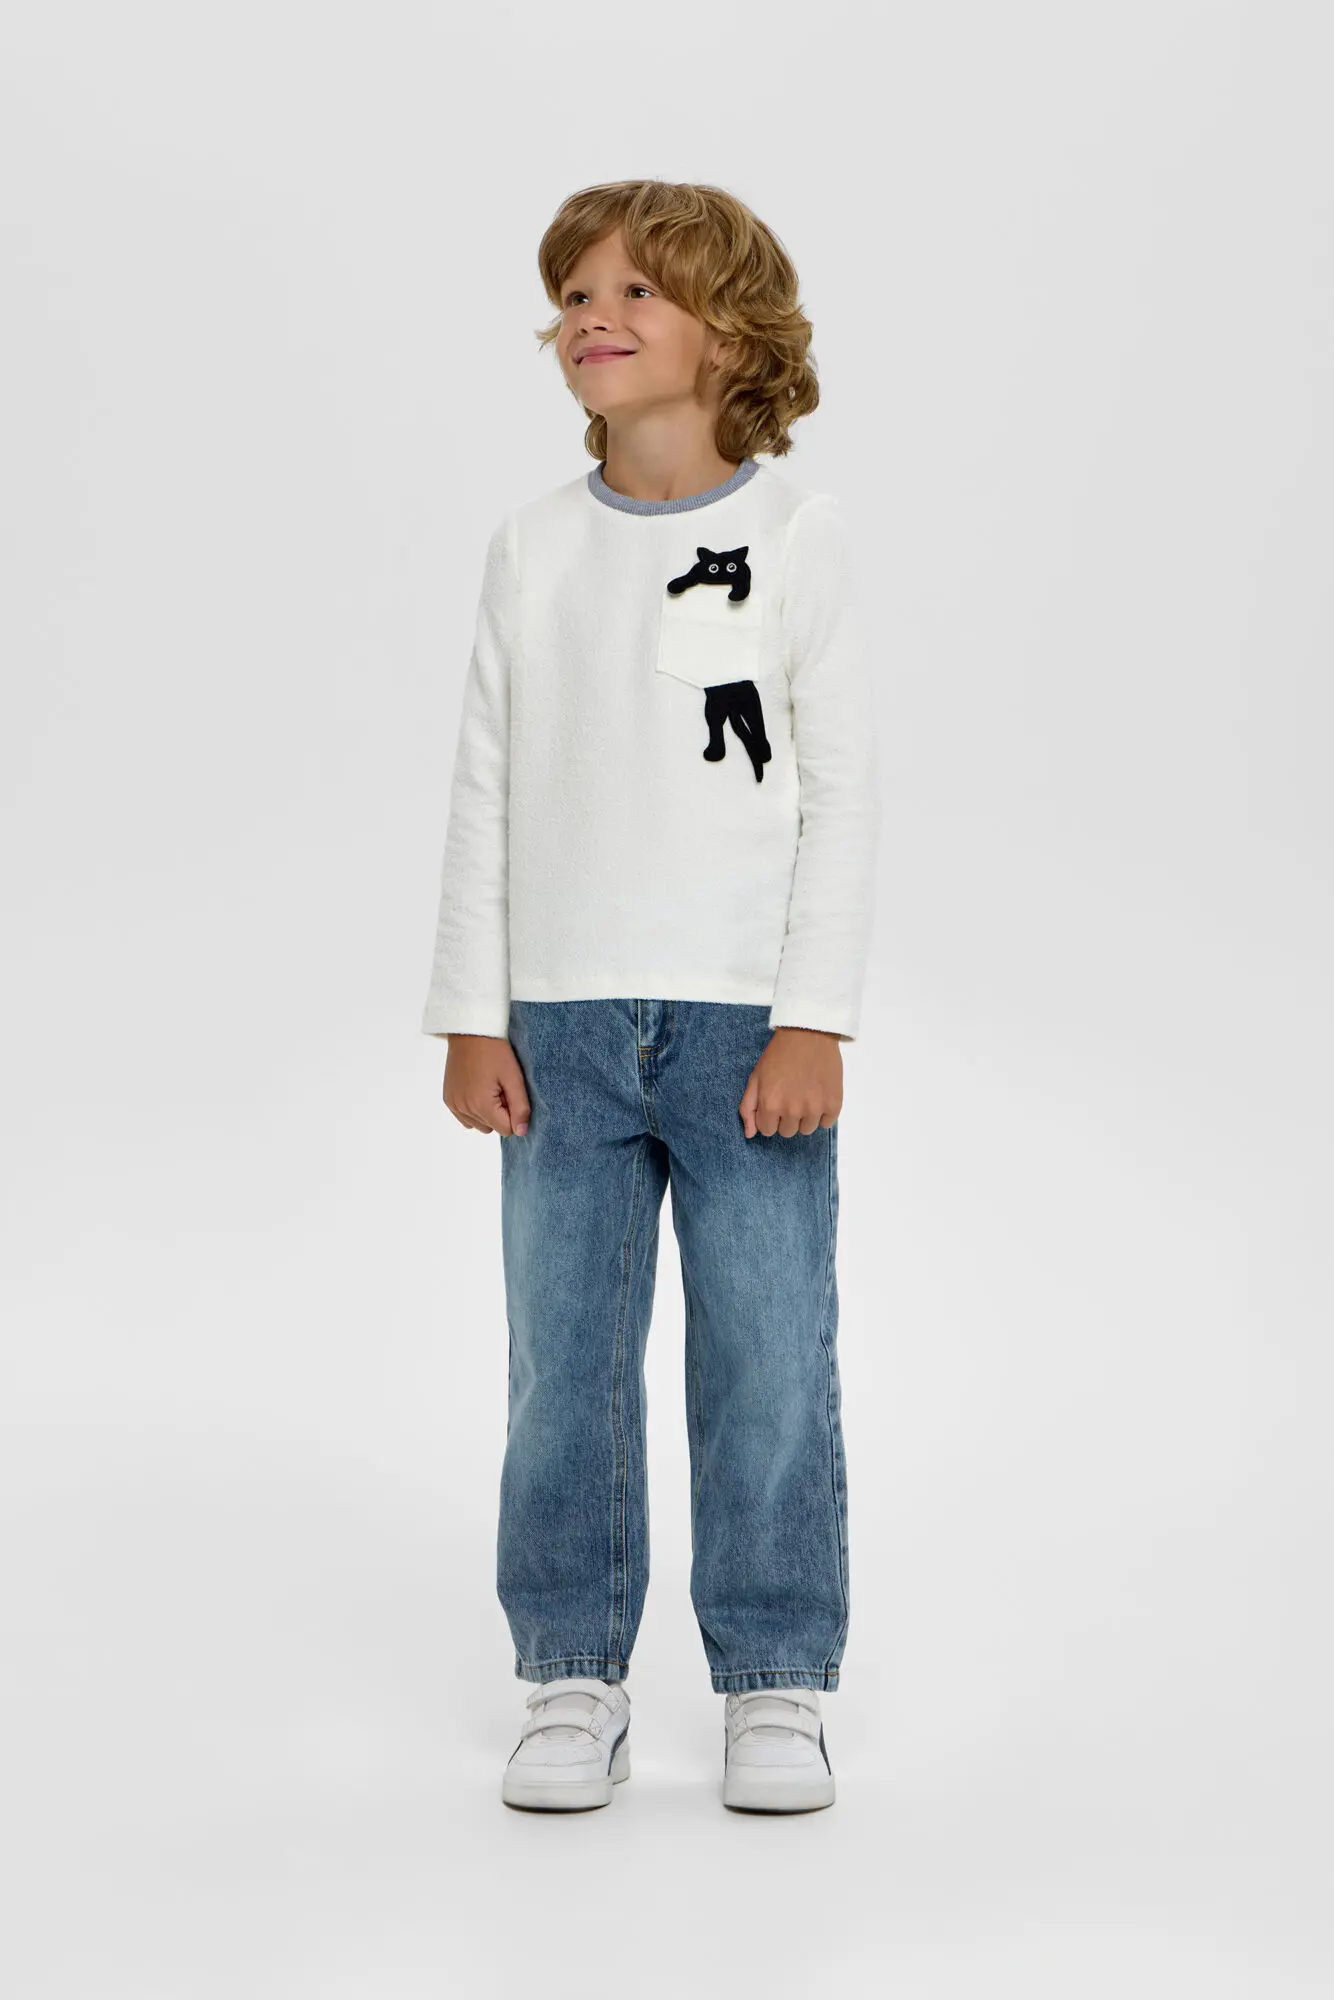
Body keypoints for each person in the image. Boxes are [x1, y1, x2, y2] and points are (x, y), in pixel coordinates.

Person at [420, 179, 880, 1813]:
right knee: (562, 1363)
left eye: (635, 291)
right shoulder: (532, 548)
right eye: (572, 295)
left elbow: (840, 794)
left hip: (744, 1023)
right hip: (557, 1023)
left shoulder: (798, 541)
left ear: (728, 332)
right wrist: (470, 1009)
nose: (592, 317)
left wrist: (812, 1016)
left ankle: (773, 1676)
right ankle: (570, 1671)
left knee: (765, 1357)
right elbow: (487, 782)